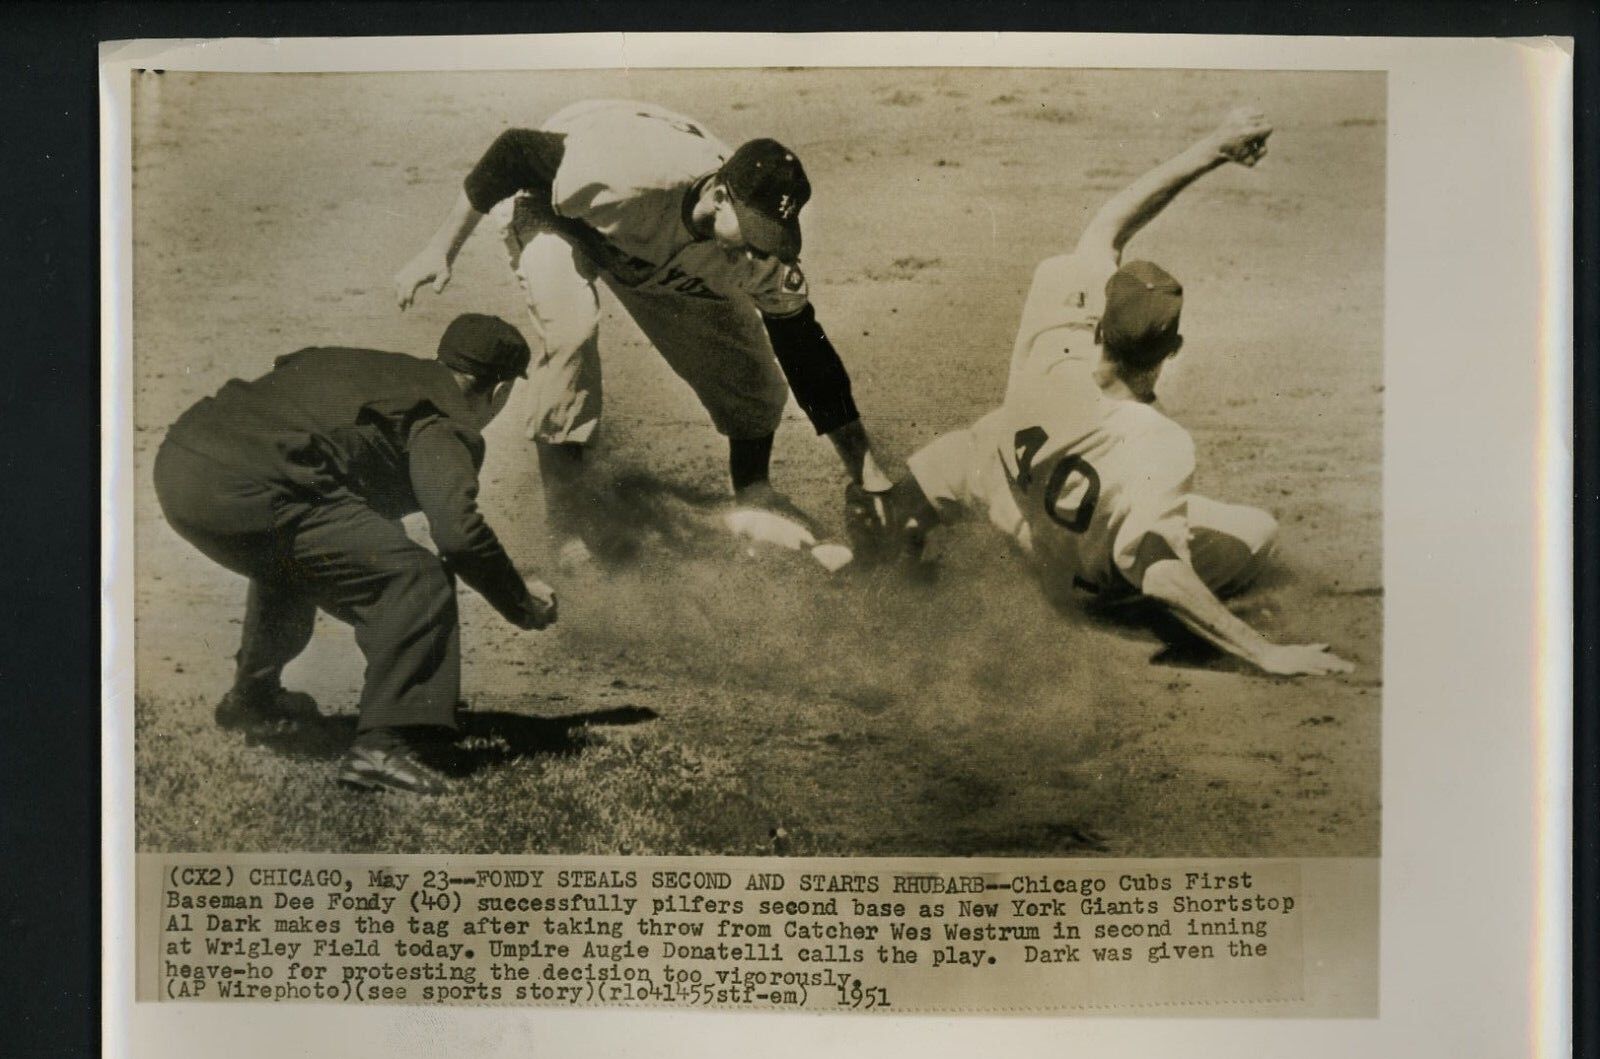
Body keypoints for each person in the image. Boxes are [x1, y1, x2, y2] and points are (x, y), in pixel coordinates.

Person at [856, 109, 1354, 678]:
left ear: (1097, 329)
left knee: (973, 445)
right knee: (1257, 533)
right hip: (1082, 590)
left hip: (1008, 517)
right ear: (1173, 349)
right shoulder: (1157, 445)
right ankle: (1154, 630)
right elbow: (1155, 568)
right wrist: (1267, 652)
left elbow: (1107, 227)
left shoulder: (1053, 337)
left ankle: (892, 538)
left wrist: (1215, 146)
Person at [393, 99, 892, 569]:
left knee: (756, 388)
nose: (761, 251)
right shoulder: (627, 173)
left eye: (773, 238)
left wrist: (865, 471)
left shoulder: (755, 254)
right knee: (570, 330)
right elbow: (513, 151)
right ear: (719, 196)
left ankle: (755, 498)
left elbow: (808, 355)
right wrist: (440, 249)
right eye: (756, 233)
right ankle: (565, 527)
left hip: (658, 249)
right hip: (556, 209)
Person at [153, 314, 559, 795]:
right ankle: (385, 747)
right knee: (417, 580)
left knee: (309, 552)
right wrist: (519, 601)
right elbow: (458, 536)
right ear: (498, 392)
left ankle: (253, 700)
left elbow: (296, 372)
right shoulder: (445, 420)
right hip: (249, 490)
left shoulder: (376, 368)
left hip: (181, 462)